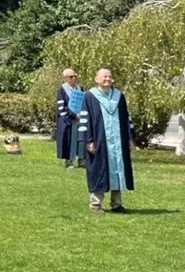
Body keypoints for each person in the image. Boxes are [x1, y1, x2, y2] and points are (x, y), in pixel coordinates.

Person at [78, 68, 134, 214]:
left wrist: (129, 138)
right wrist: (88, 140)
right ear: (97, 79)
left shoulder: (119, 96)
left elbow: (126, 118)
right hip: (99, 140)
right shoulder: (90, 96)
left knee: (117, 170)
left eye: (110, 77)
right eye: (104, 77)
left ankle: (117, 203)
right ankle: (95, 204)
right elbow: (85, 119)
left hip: (118, 141)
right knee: (99, 170)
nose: (108, 79)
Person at [55, 68, 83, 168]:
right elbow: (62, 107)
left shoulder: (80, 89)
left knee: (81, 139)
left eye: (75, 76)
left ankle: (81, 160)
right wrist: (73, 115)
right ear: (65, 78)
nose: (74, 78)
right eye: (71, 76)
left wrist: (82, 114)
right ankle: (69, 161)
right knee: (69, 140)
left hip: (80, 119)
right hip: (67, 120)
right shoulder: (62, 90)